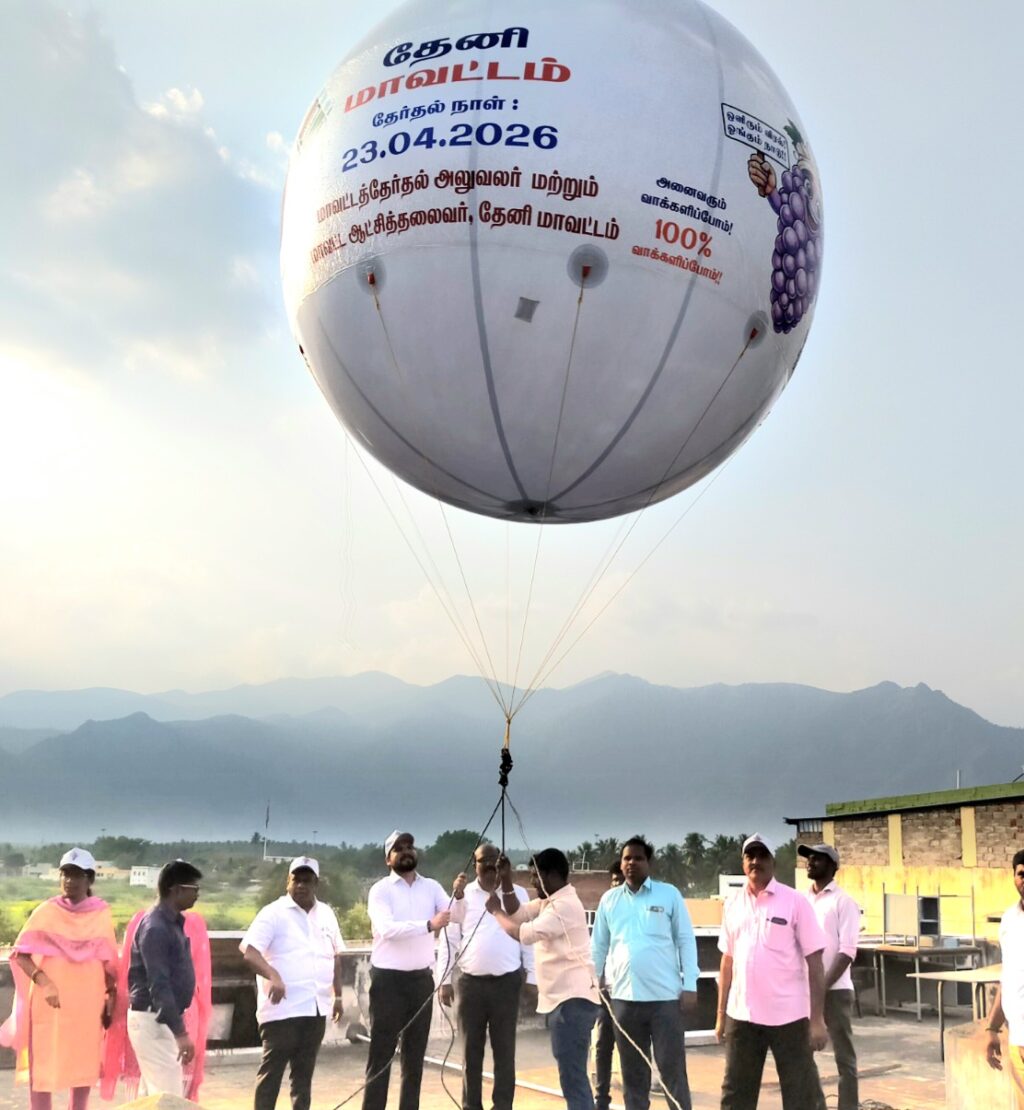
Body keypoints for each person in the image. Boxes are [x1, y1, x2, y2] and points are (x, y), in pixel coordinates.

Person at [716, 833, 828, 1110]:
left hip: (789, 1018)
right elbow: (727, 961)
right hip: (742, 1017)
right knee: (736, 1096)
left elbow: (815, 962)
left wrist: (817, 1020)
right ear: (743, 863)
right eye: (750, 856)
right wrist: (720, 1017)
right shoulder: (733, 904)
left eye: (762, 855)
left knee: (800, 1096)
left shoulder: (794, 902)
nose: (756, 861)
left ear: (773, 862)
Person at [1, 848, 117, 1110]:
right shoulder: (47, 912)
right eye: (65, 874)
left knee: (84, 1065)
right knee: (43, 1065)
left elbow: (109, 963)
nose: (69, 881)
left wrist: (110, 997)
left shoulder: (100, 914)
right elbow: (21, 955)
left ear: (89, 879)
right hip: (50, 1004)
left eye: (76, 875)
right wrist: (45, 982)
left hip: (87, 1005)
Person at [591, 837, 698, 1110]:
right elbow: (599, 945)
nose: (632, 863)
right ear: (621, 863)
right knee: (633, 1076)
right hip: (624, 1001)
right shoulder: (609, 900)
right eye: (627, 858)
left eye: (638, 858)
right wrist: (594, 980)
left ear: (648, 863)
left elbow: (686, 940)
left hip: (664, 1001)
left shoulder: (668, 895)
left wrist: (690, 985)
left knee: (672, 1071)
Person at [490, 848, 601, 1110]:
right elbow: (517, 913)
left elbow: (523, 933)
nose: (532, 882)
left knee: (573, 1078)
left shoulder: (564, 906)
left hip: (572, 1001)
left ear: (550, 875)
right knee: (571, 1076)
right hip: (564, 1001)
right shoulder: (549, 901)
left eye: (535, 876)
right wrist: (506, 880)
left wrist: (495, 912)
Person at [241, 856, 345, 1110]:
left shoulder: (327, 914)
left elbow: (335, 957)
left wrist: (338, 996)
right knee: (271, 1075)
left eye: (307, 880)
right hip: (282, 1010)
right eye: (296, 879)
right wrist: (274, 976)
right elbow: (250, 953)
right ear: (287, 881)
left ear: (316, 883)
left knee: (303, 1077)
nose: (301, 885)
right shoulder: (273, 913)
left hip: (315, 1008)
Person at [440, 844, 536, 1110]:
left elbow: (527, 939)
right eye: (485, 860)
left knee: (505, 1051)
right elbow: (449, 940)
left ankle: (502, 1105)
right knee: (471, 1053)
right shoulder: (463, 895)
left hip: (506, 983)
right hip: (470, 985)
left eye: (495, 859)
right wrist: (444, 981)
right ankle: (472, 1106)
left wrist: (532, 977)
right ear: (475, 865)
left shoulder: (517, 894)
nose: (491, 864)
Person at [362, 831, 451, 1110]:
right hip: (388, 981)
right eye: (398, 848)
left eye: (410, 846)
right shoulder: (380, 890)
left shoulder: (432, 887)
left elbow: (453, 915)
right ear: (388, 859)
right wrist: (428, 925)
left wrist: (459, 896)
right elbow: (388, 930)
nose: (406, 851)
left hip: (420, 980)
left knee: (415, 1057)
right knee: (382, 1053)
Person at [126, 859, 203, 1096]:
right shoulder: (156, 928)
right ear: (176, 890)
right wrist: (181, 1033)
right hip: (152, 1019)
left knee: (152, 1095)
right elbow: (158, 983)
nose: (197, 894)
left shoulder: (170, 923)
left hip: (158, 1018)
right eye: (194, 889)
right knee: (168, 1095)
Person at [800, 843, 860, 1110]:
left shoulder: (843, 902)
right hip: (805, 992)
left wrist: (821, 988)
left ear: (833, 866)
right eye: (809, 858)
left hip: (835, 991)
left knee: (844, 1059)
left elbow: (847, 952)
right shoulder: (801, 901)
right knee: (803, 1055)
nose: (810, 862)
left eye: (817, 858)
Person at [984, 847, 1024, 1103]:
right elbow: (1008, 978)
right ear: (1014, 877)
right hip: (1017, 1039)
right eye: (1022, 874)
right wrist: (992, 1027)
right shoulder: (1009, 920)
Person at [593, 861, 624, 1110]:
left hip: (632, 994)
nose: (616, 884)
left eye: (620, 880)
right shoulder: (607, 908)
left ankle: (636, 1099)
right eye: (613, 880)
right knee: (603, 1046)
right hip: (607, 992)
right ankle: (601, 1098)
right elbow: (598, 947)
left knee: (631, 1048)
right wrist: (597, 980)